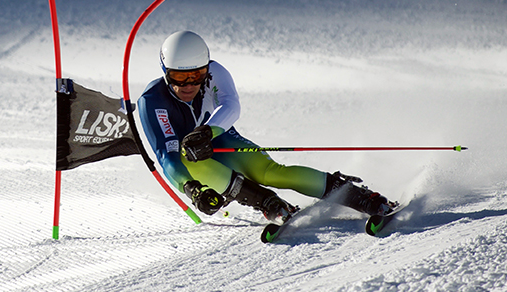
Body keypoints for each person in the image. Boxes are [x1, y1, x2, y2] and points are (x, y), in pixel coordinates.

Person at [137, 30, 394, 223]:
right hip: (194, 163)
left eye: (197, 75)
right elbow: (167, 158)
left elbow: (231, 106)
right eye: (180, 77)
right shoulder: (153, 102)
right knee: (189, 156)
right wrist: (193, 190)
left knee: (271, 173)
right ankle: (267, 202)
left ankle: (356, 195)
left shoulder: (216, 72)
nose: (190, 84)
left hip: (221, 139)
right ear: (165, 72)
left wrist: (209, 131)